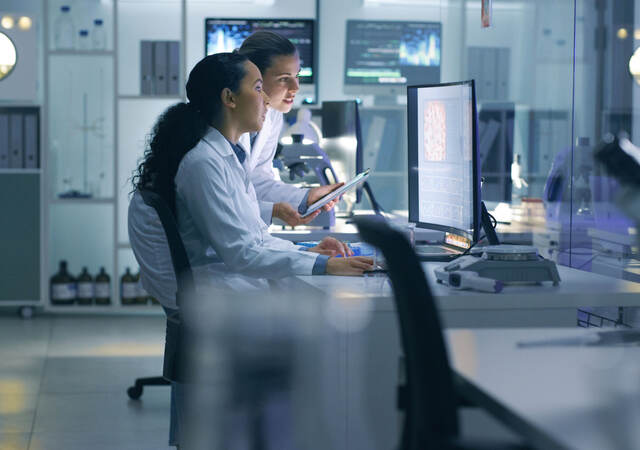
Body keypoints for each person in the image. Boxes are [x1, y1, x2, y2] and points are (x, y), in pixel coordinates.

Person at [128, 53, 374, 447]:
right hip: (222, 293)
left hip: (228, 285)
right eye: (258, 88)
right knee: (337, 335)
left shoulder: (227, 156)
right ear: (229, 98)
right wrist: (323, 266)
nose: (266, 100)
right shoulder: (203, 163)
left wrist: (314, 252)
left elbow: (252, 237)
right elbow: (242, 252)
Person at [237, 31, 342, 227]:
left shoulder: (273, 114)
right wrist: (273, 211)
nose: (296, 87)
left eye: (297, 76)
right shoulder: (222, 127)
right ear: (254, 78)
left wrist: (307, 197)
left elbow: (258, 182)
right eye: (284, 78)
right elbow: (227, 205)